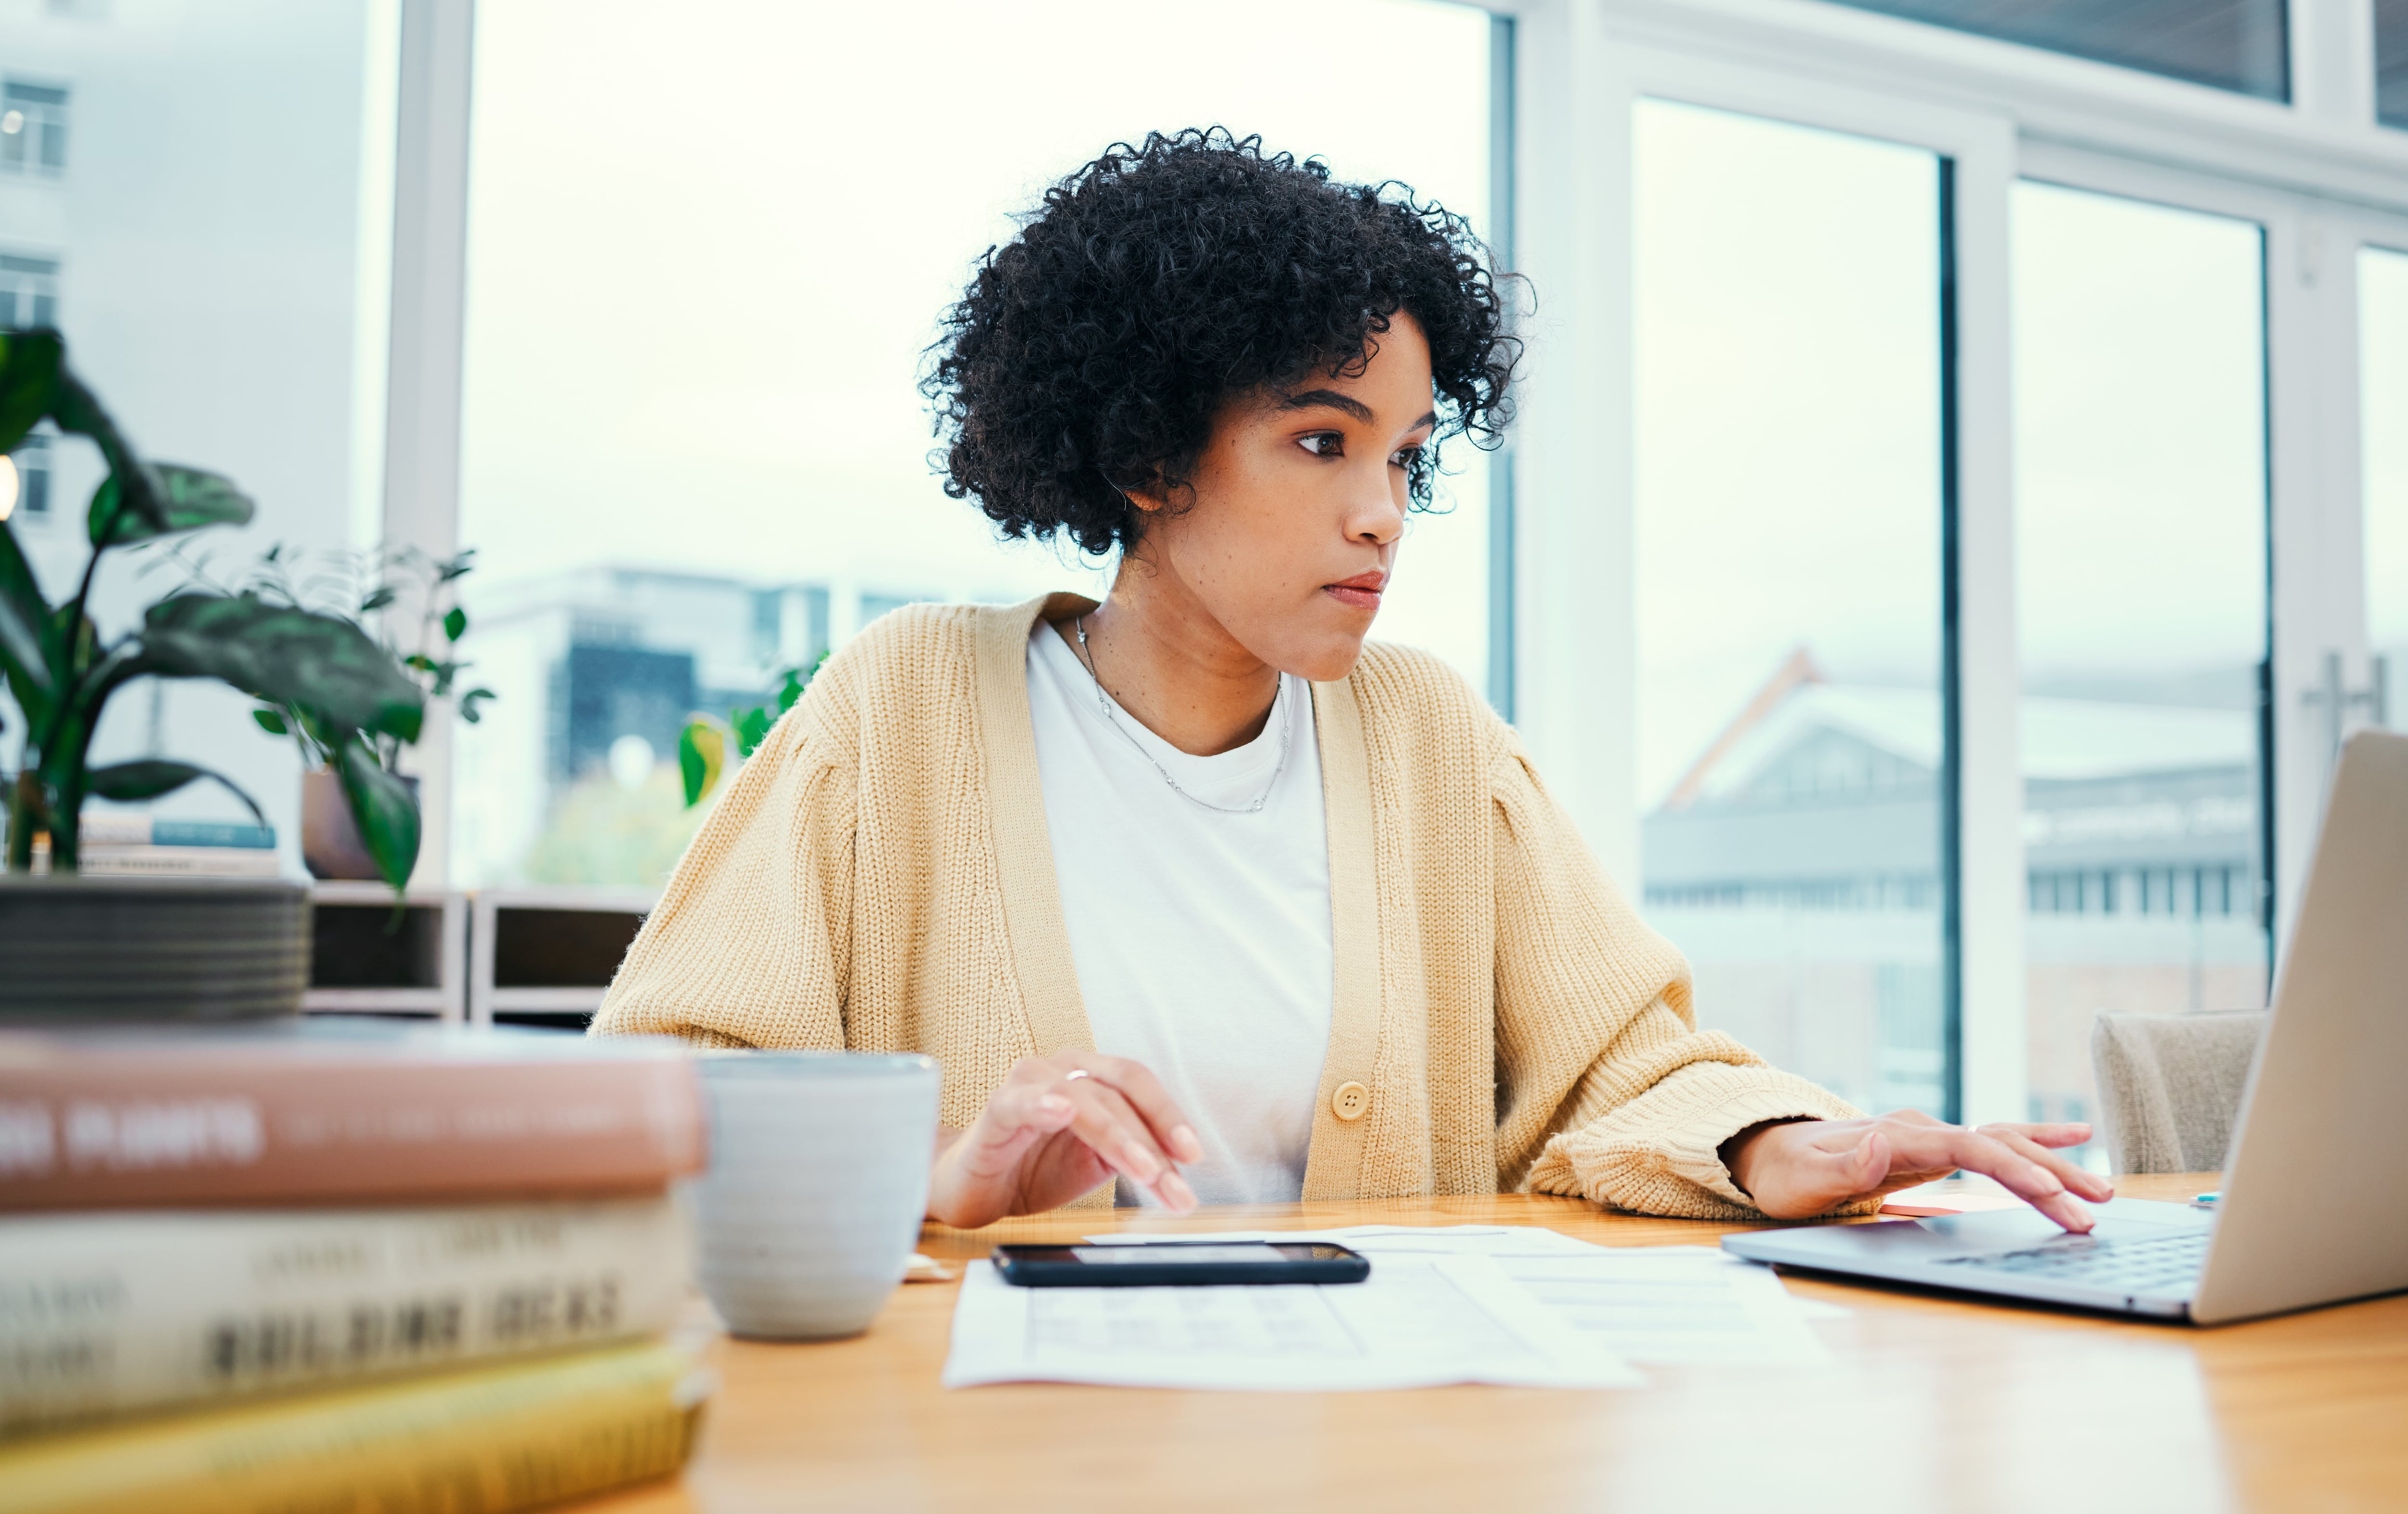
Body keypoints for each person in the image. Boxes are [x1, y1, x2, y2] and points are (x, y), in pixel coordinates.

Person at [593, 128, 2112, 1234]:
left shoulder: (1428, 736)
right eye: (1321, 442)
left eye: (1404, 458)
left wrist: (1788, 1143)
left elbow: (1617, 1062)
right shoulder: (905, 706)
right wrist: (945, 1185)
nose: (1383, 511)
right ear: (1144, 454)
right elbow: (666, 1096)